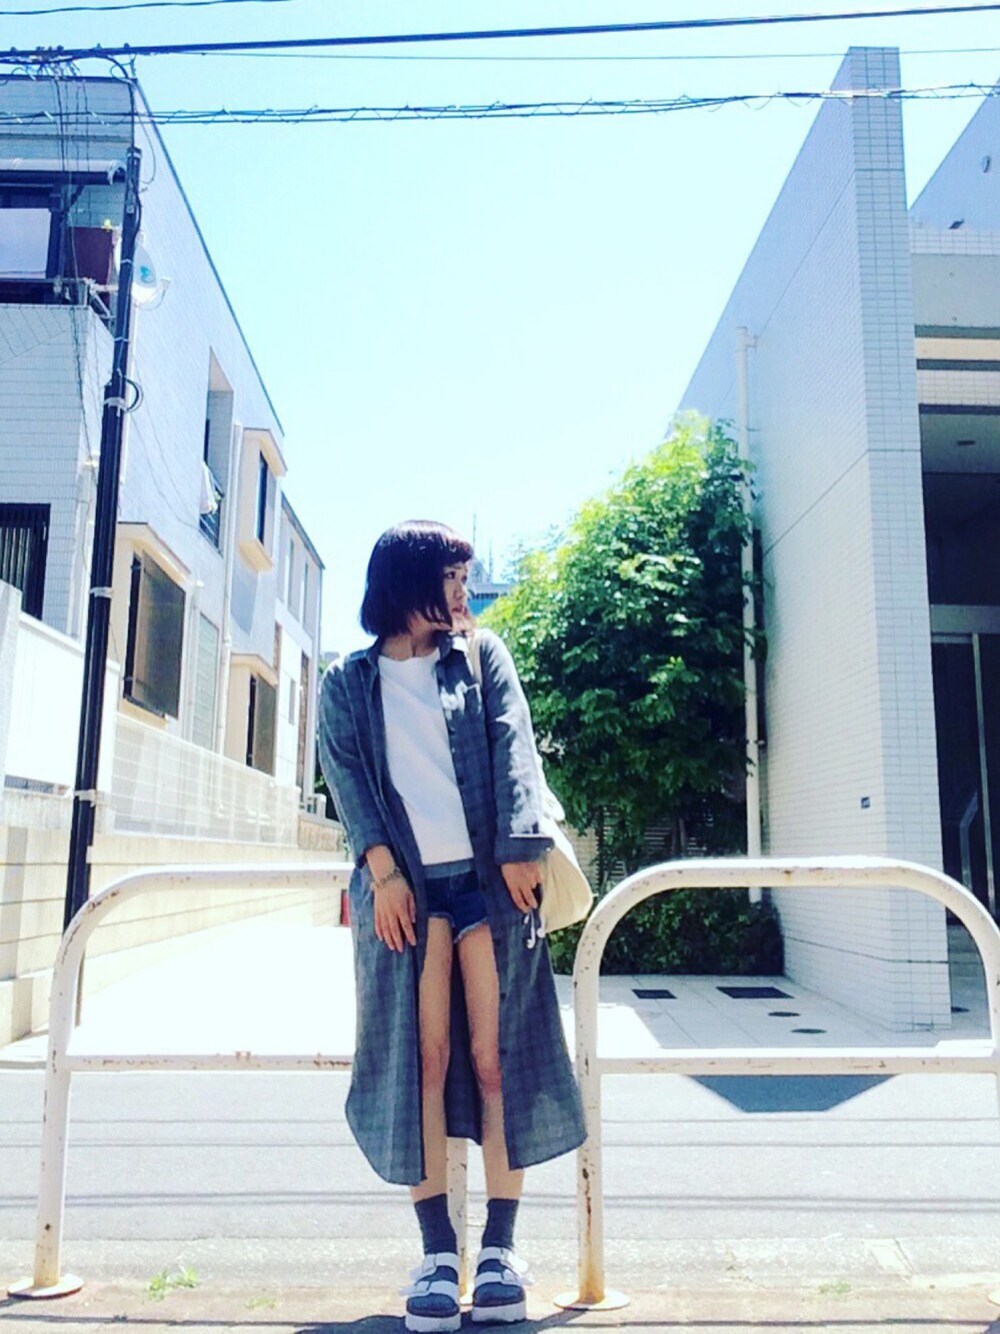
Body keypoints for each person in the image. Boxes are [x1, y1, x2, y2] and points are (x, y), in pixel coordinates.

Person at [318, 520, 585, 1332]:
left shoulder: (481, 657)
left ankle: (501, 1249)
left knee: (498, 1061)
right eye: (453, 578)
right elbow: (346, 778)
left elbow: (514, 749)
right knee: (421, 1063)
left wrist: (521, 848)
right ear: (409, 585)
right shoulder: (347, 683)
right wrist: (383, 874)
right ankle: (438, 1253)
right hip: (405, 892)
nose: (465, 594)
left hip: (489, 887)